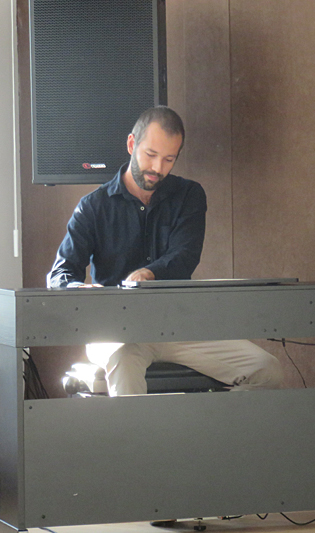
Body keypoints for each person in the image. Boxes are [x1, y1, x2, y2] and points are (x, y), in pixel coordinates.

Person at [47, 106, 283, 396]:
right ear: (131, 144)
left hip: (179, 326)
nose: (158, 168)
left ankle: (203, 423)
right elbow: (60, 273)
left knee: (266, 370)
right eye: (151, 155)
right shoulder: (93, 206)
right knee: (123, 358)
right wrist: (79, 290)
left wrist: (149, 273)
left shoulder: (189, 195)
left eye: (169, 159)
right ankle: (138, 429)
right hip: (115, 332)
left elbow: (185, 256)